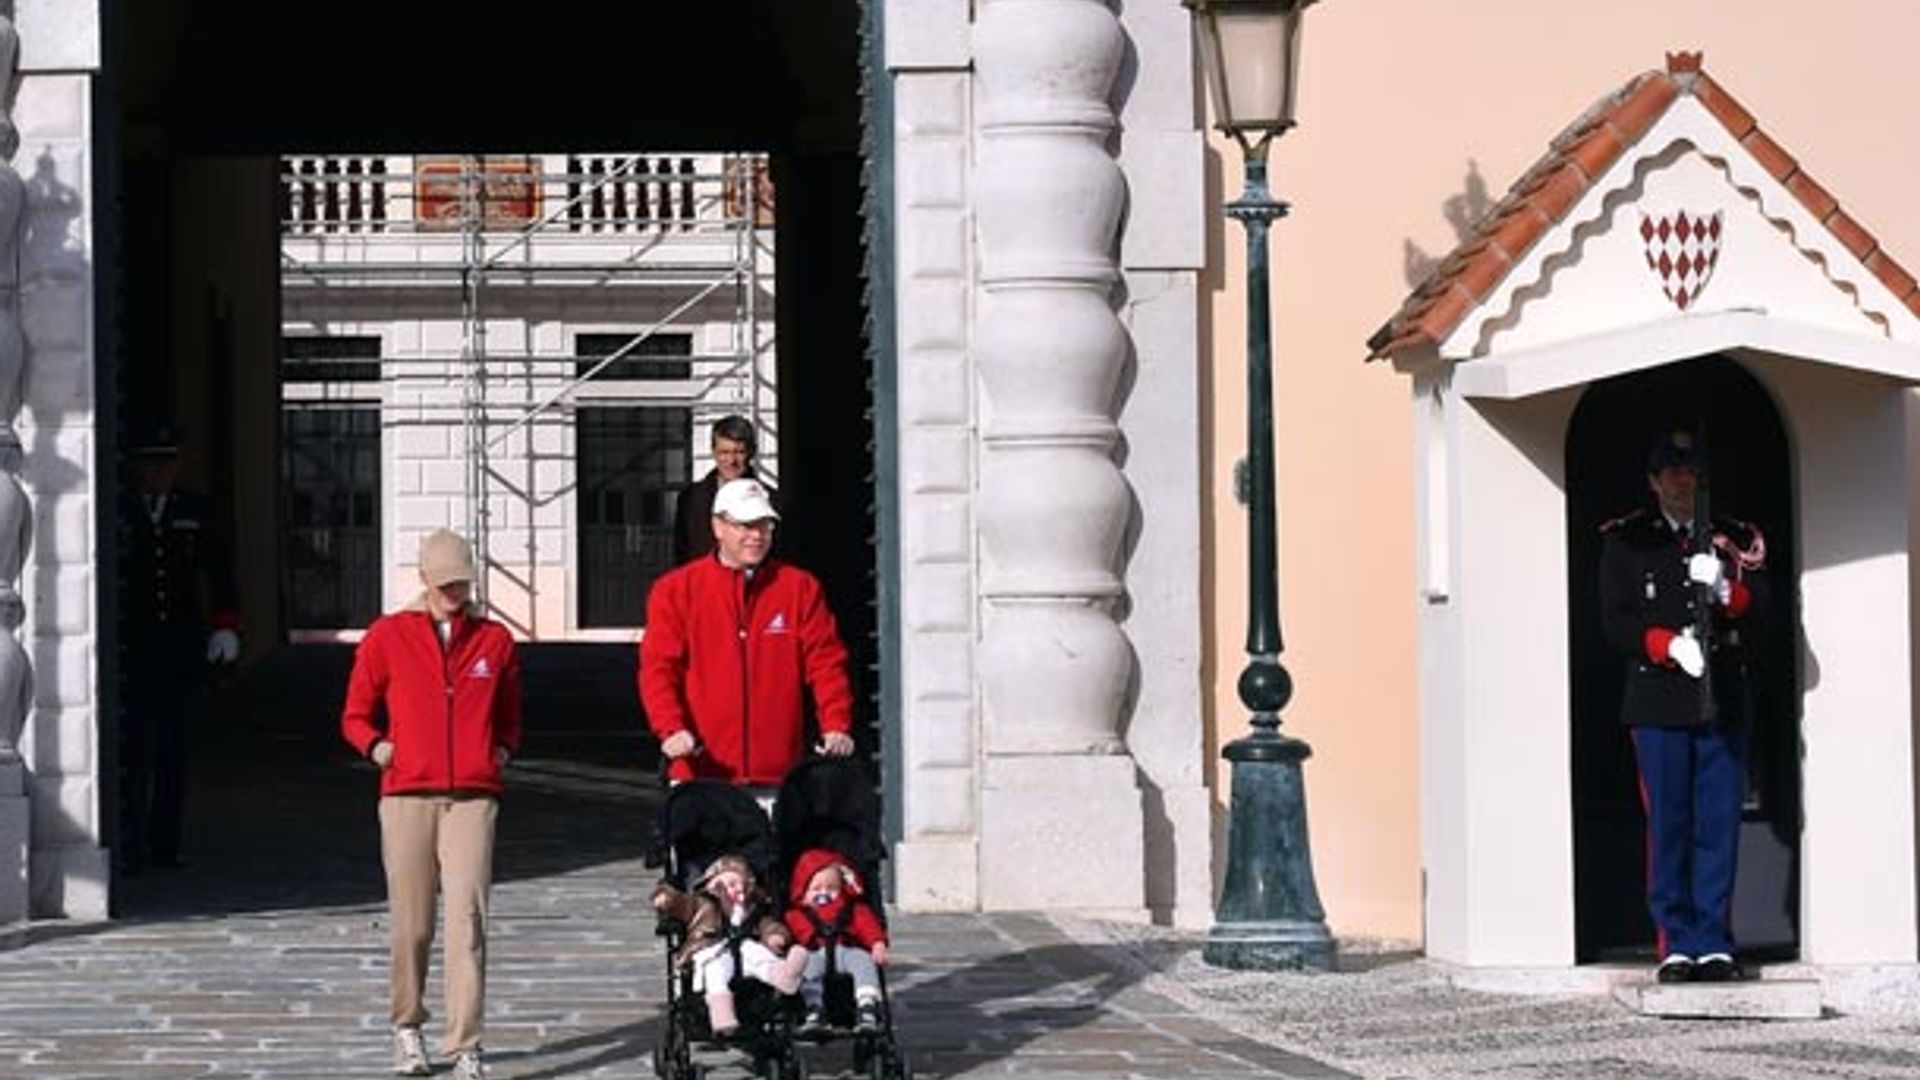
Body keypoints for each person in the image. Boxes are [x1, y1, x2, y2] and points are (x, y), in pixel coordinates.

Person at [340, 529, 522, 1080]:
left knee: (468, 919)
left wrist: (504, 750)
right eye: (444, 583)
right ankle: (407, 1026)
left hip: (472, 796)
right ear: (424, 579)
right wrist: (379, 748)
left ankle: (466, 1043)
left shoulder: (494, 641)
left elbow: (511, 711)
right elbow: (354, 714)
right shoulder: (387, 637)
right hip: (407, 795)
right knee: (412, 922)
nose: (455, 593)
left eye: (462, 582)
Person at [1598, 429, 1767, 985]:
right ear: (1653, 481)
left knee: (1716, 824)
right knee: (1669, 823)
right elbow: (1617, 619)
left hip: (1720, 698)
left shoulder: (1733, 538)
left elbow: (1763, 608)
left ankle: (1714, 941)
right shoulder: (1627, 540)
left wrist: (1724, 592)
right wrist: (1666, 645)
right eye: (1670, 473)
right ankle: (1675, 942)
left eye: (1690, 472)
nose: (1681, 482)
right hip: (1658, 699)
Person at [640, 477, 856, 798]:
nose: (756, 536)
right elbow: (659, 669)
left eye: (764, 526)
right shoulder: (676, 591)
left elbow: (826, 664)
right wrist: (671, 729)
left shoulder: (799, 588)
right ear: (718, 527)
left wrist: (835, 724)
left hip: (779, 773)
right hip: (700, 770)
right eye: (744, 526)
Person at [117, 423, 240, 874]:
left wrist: (225, 626)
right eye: (151, 465)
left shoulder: (196, 510)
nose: (158, 474)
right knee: (133, 748)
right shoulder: (119, 509)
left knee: (173, 749)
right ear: (137, 468)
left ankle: (165, 843)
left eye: (166, 464)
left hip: (180, 647)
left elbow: (221, 571)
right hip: (133, 647)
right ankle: (128, 843)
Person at [650, 854, 807, 1037]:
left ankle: (784, 975)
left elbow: (766, 923)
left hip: (745, 948)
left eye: (739, 884)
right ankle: (722, 1014)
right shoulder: (703, 904)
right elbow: (683, 904)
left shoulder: (752, 908)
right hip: (712, 949)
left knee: (760, 957)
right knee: (716, 973)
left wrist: (775, 935)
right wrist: (667, 899)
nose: (734, 889)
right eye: (728, 884)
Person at [784, 847, 890, 1033]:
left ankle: (866, 1004)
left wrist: (877, 943)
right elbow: (795, 929)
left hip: (846, 949)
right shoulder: (798, 913)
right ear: (803, 891)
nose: (824, 893)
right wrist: (806, 937)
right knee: (805, 968)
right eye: (816, 889)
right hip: (816, 951)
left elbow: (867, 926)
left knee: (864, 961)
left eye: (831, 888)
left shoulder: (851, 908)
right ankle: (814, 1007)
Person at [673, 414, 775, 564]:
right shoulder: (690, 498)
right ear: (713, 452)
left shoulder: (773, 500)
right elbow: (682, 554)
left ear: (752, 452)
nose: (731, 461)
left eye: (739, 452)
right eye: (724, 452)